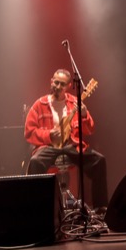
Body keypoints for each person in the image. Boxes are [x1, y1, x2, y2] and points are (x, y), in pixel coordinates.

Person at [24, 69, 109, 209]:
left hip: (71, 145)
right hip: (48, 146)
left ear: (69, 86)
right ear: (51, 81)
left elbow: (89, 130)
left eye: (62, 84)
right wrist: (49, 135)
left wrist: (84, 115)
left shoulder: (74, 102)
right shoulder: (40, 104)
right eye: (56, 82)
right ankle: (36, 208)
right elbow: (29, 132)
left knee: (99, 161)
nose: (58, 86)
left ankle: (101, 208)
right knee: (35, 162)